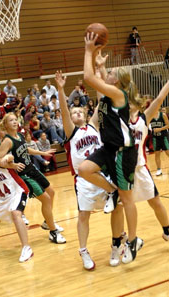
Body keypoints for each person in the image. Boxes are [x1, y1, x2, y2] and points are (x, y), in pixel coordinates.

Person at [78, 32, 142, 264]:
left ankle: (133, 240)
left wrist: (88, 49)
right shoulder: (107, 95)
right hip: (108, 148)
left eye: (111, 73)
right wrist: (98, 60)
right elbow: (96, 77)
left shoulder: (118, 95)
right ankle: (111, 190)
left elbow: (88, 77)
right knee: (84, 169)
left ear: (118, 81)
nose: (108, 73)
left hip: (123, 152)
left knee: (128, 199)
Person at [55, 70, 115, 270]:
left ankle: (119, 240)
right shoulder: (72, 132)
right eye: (74, 112)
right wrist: (61, 89)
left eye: (80, 111)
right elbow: (64, 112)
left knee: (119, 206)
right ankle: (83, 251)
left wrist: (100, 78)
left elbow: (102, 103)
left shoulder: (93, 126)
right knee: (83, 216)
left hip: (103, 173)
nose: (78, 113)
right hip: (84, 181)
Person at [110, 80, 169, 266]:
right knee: (119, 207)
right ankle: (119, 241)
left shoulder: (144, 118)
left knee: (155, 201)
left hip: (140, 168)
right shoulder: (119, 118)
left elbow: (160, 98)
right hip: (121, 168)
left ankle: (167, 231)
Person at [0, 112, 66, 243]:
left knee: (51, 192)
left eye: (16, 119)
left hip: (32, 169)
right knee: (46, 198)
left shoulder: (20, 135)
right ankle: (53, 231)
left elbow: (26, 149)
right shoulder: (7, 141)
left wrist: (42, 153)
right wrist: (14, 165)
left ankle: (47, 222)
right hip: (24, 175)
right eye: (11, 120)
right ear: (5, 124)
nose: (15, 122)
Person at [150, 108, 169, 176]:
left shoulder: (162, 115)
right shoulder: (150, 116)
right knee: (157, 154)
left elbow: (168, 125)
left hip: (163, 137)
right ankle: (159, 170)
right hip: (155, 138)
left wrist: (159, 129)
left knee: (167, 152)